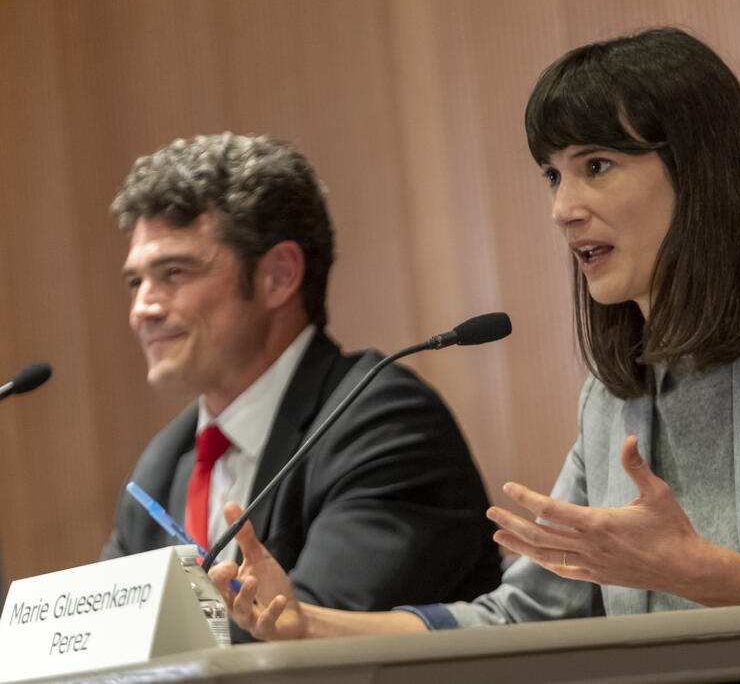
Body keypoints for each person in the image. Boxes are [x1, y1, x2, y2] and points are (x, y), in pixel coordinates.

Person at [208, 29, 740, 680]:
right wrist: (310, 623)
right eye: (552, 175)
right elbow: (523, 617)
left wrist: (694, 570)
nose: (562, 208)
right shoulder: (614, 394)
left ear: (700, 170)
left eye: (597, 165)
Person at [101, 133, 502, 641]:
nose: (144, 309)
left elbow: (303, 634)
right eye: (136, 282)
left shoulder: (384, 425)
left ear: (279, 275)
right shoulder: (165, 463)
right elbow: (109, 640)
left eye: (175, 272)